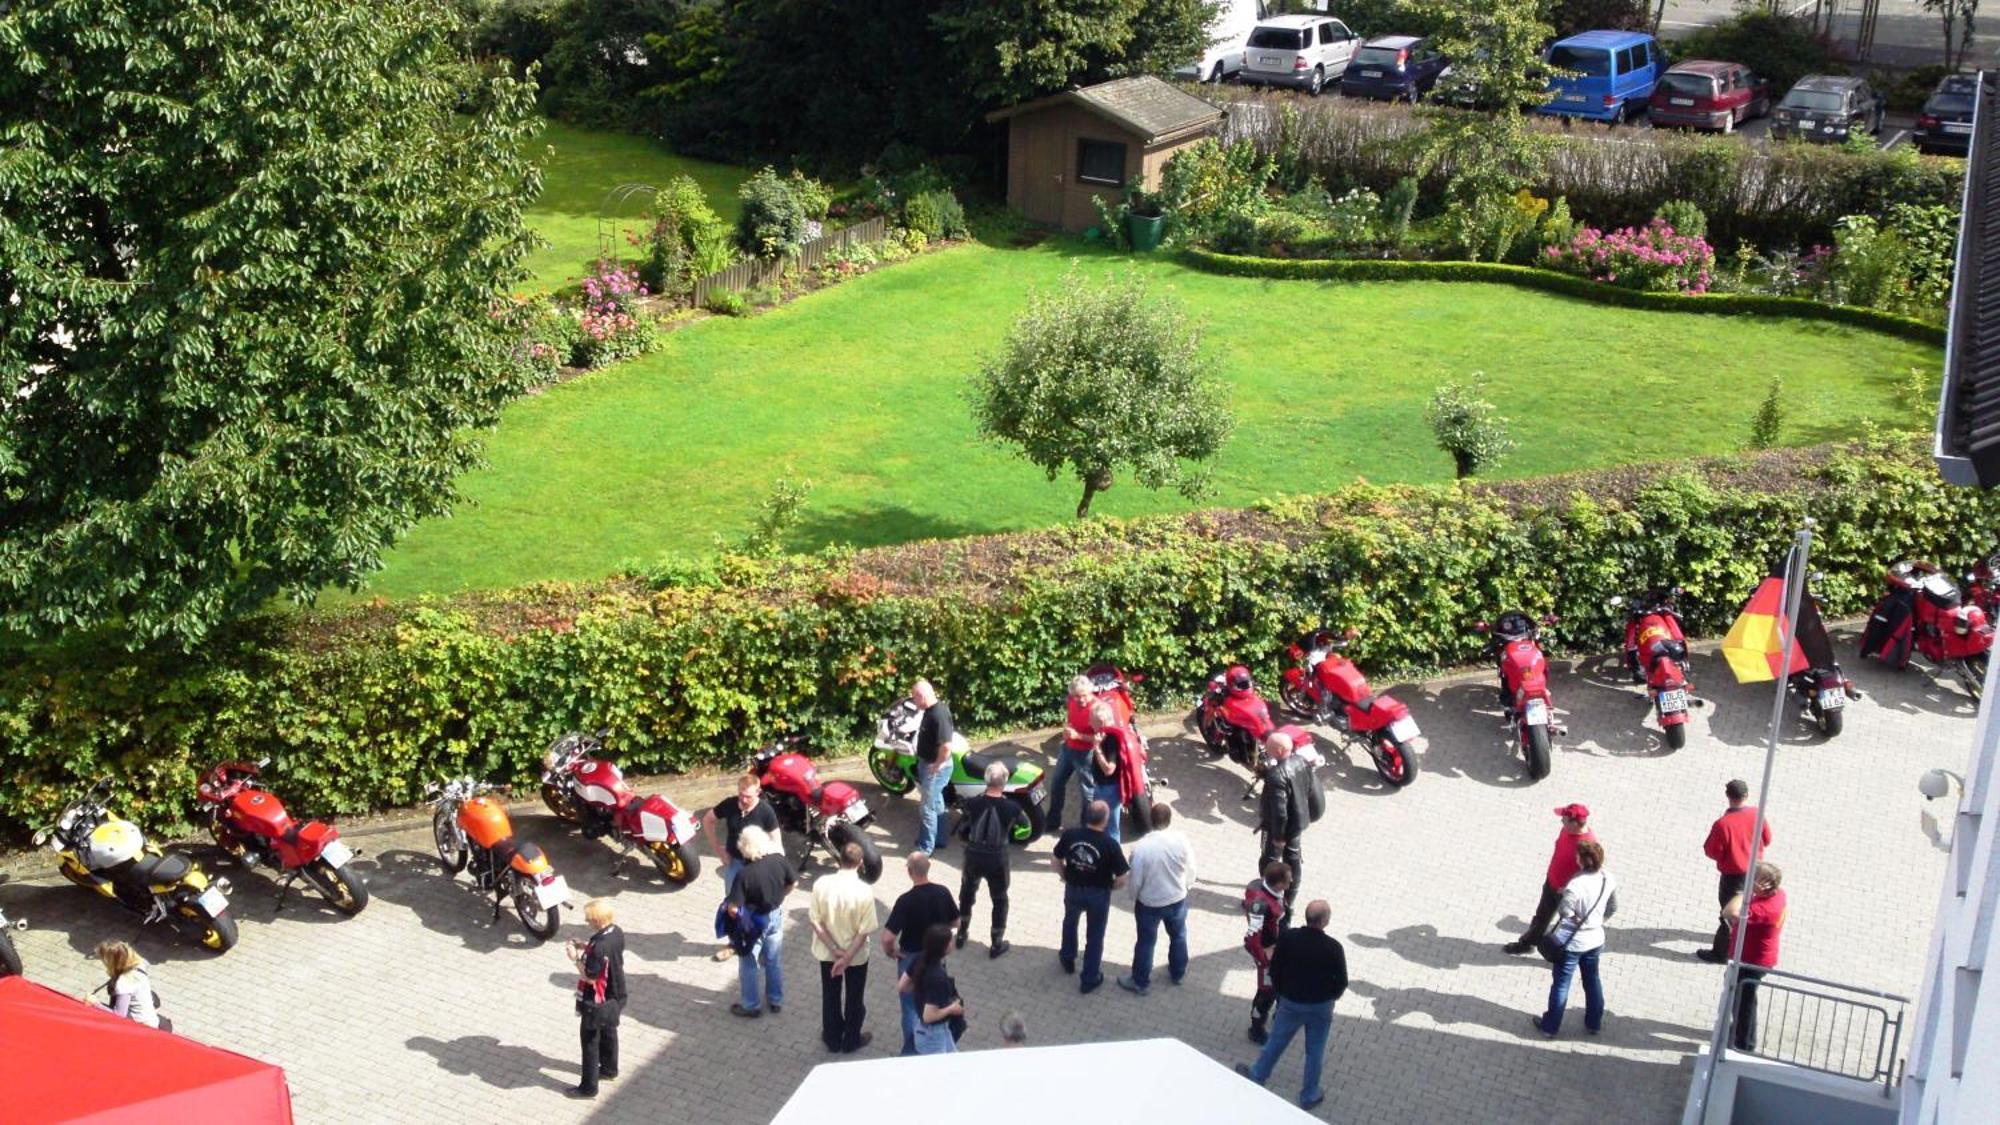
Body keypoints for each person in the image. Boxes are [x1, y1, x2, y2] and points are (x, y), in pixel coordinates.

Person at [1234, 900, 1347, 1112]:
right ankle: (1309, 1093)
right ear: (1324, 921)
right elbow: (1341, 981)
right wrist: (1330, 997)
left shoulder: (1288, 938)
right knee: (1315, 1050)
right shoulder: (1333, 948)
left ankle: (1258, 1076)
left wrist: (1282, 991)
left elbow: (1275, 969)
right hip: (1320, 1007)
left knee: (1277, 1040)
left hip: (1291, 1003)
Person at [1531, 839, 1618, 1037]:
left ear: (1582, 861)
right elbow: (1613, 908)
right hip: (1595, 940)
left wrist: (1570, 907)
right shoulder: (1608, 878)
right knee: (1592, 980)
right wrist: (1596, 922)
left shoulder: (1576, 885)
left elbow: (1565, 910)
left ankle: (1550, 1027)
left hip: (1571, 943)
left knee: (1561, 985)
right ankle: (1594, 1023)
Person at [880, 851, 960, 1056]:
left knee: (910, 1009)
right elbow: (957, 922)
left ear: (909, 872)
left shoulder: (906, 900)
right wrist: (946, 941)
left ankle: (910, 1051)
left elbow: (887, 937)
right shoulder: (942, 892)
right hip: (936, 957)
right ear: (929, 868)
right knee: (934, 999)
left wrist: (892, 952)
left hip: (910, 958)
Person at [1053, 799, 1129, 994]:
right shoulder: (1110, 844)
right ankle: (1089, 978)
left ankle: (1067, 958)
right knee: (1095, 935)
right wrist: (1110, 887)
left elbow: (1055, 858)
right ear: (1105, 820)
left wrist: (1064, 875)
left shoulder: (1070, 835)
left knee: (1070, 922)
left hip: (1073, 888)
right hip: (1098, 894)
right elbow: (1122, 877)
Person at [809, 842, 879, 1054]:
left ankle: (831, 1037)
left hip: (828, 952)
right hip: (856, 956)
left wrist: (834, 949)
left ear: (840, 859)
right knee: (854, 997)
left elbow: (815, 921)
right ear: (860, 863)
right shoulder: (865, 891)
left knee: (830, 994)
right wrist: (847, 956)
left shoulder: (821, 884)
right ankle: (851, 1039)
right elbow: (864, 930)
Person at [702, 773, 781, 961]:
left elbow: (776, 841)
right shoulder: (730, 805)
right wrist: (718, 849)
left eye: (748, 796)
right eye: (741, 795)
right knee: (733, 905)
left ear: (758, 792)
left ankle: (761, 943)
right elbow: (708, 820)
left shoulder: (765, 811)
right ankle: (734, 943)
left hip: (758, 866)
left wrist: (776, 867)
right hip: (735, 865)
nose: (744, 800)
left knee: (759, 905)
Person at [1119, 801, 1195, 996]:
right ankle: (1178, 972)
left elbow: (1135, 879)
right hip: (1176, 899)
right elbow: (1191, 868)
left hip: (1150, 903)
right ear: (1170, 820)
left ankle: (1140, 982)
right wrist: (1187, 885)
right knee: (1178, 936)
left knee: (1146, 942)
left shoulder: (1142, 848)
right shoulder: (1181, 840)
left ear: (1150, 821)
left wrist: (1133, 896)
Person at [1503, 803, 1598, 955]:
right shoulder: (1566, 830)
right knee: (1541, 917)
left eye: (1564, 820)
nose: (1561, 822)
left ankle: (1563, 956)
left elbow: (1590, 874)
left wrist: (1568, 890)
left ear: (1574, 823)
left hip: (1567, 894)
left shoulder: (1587, 845)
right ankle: (1527, 944)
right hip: (1552, 883)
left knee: (1567, 927)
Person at [1697, 780, 1773, 964]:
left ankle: (1720, 953)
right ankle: (1742, 936)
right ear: (1746, 795)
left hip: (1733, 877)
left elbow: (1711, 851)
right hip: (1757, 871)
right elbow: (1767, 839)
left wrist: (1726, 857)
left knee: (1728, 914)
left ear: (1728, 797)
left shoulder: (1722, 824)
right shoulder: (1757, 814)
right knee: (1749, 906)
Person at [953, 760, 1020, 959]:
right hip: (998, 858)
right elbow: (1025, 827)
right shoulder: (1012, 807)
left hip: (973, 855)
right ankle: (996, 944)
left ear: (985, 779)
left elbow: (962, 827)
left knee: (966, 894)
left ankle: (962, 934)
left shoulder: (972, 803)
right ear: (1005, 782)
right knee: (999, 900)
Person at [728, 825, 796, 1018]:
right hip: (775, 915)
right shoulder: (779, 861)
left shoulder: (744, 875)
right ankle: (775, 1000)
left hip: (753, 922)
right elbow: (794, 883)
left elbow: (733, 908)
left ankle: (751, 1005)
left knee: (749, 962)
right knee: (773, 960)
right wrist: (780, 897)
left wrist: (736, 919)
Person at [566, 898, 627, 1099]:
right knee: (609, 1031)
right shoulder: (616, 932)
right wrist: (585, 946)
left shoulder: (599, 947)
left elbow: (590, 978)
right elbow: (607, 955)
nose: (587, 922)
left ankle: (588, 1087)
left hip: (596, 1002)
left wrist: (575, 958)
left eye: (589, 919)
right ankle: (610, 1069)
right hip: (616, 995)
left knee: (590, 1041)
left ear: (598, 921)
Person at [1723, 861, 1787, 1051]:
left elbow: (1728, 911)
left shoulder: (1764, 910)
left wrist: (1743, 893)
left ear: (1764, 884)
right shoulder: (1778, 895)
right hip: (1748, 956)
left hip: (1752, 961)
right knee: (1740, 995)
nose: (1748, 879)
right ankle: (1739, 1032)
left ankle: (1744, 1044)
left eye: (1753, 877)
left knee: (1744, 1001)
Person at [1258, 731, 1310, 918]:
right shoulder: (1302, 761)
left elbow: (1279, 812)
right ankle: (1289, 904)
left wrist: (1279, 836)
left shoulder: (1276, 776)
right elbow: (1310, 788)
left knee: (1269, 860)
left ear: (1279, 750)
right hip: (1298, 822)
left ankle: (1267, 899)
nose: (1266, 750)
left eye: (1269, 748)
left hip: (1277, 828)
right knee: (1293, 859)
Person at [1242, 859, 1294, 1044]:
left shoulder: (1272, 892)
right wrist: (1264, 957)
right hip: (1267, 954)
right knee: (1266, 993)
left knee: (1282, 980)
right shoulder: (1260, 904)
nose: (1291, 882)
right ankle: (1256, 1028)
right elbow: (1252, 936)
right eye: (1288, 880)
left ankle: (1280, 1011)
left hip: (1278, 946)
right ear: (1279, 883)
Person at [899, 922, 965, 1055]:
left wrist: (921, 992)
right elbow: (929, 1016)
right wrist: (951, 1009)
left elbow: (902, 986)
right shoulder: (938, 978)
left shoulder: (920, 957)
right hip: (932, 1035)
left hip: (929, 1029)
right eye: (951, 941)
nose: (953, 942)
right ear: (945, 947)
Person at [1047, 674, 1101, 834]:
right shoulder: (1072, 701)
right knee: (1056, 784)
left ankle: (1086, 828)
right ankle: (1052, 821)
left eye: (1084, 696)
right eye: (1077, 696)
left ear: (1090, 691)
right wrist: (1066, 730)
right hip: (1067, 749)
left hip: (1086, 754)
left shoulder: (1097, 709)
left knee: (1088, 792)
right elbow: (1070, 719)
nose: (1081, 700)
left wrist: (1078, 736)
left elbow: (1101, 738)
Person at [910, 679, 959, 854]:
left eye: (914, 698)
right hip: (929, 765)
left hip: (935, 768)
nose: (914, 702)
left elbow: (946, 746)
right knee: (937, 802)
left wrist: (937, 765)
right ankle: (940, 839)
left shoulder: (938, 714)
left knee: (927, 808)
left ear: (921, 696)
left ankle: (925, 848)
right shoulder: (931, 710)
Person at [1087, 702, 1129, 841]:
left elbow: (1109, 769)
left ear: (1101, 722)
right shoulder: (1101, 734)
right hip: (1101, 786)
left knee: (1110, 827)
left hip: (1109, 789)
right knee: (1103, 825)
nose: (1089, 723)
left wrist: (1097, 748)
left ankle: (1113, 855)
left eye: (1092, 721)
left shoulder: (1111, 740)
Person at [94, 941, 160, 1029]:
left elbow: (119, 1015)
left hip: (141, 1025)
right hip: (150, 1019)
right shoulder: (140, 964)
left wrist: (95, 1004)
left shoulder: (124, 982)